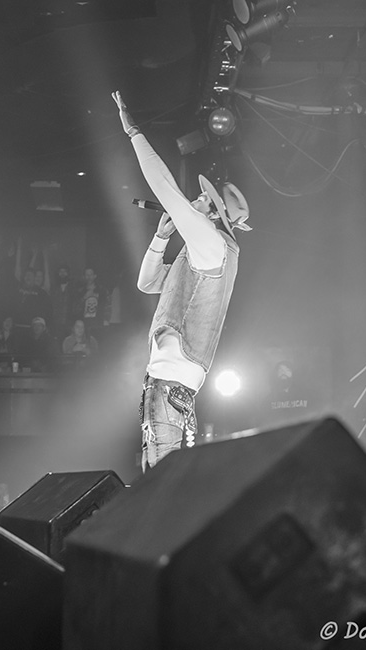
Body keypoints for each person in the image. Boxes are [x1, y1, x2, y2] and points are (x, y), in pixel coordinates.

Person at [113, 90, 251, 471]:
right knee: (160, 486)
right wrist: (160, 238)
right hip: (169, 385)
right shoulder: (203, 251)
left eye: (205, 199)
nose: (197, 199)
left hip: (169, 384)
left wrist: (134, 132)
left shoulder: (212, 244)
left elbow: (165, 189)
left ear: (215, 213)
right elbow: (147, 284)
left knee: (159, 494)